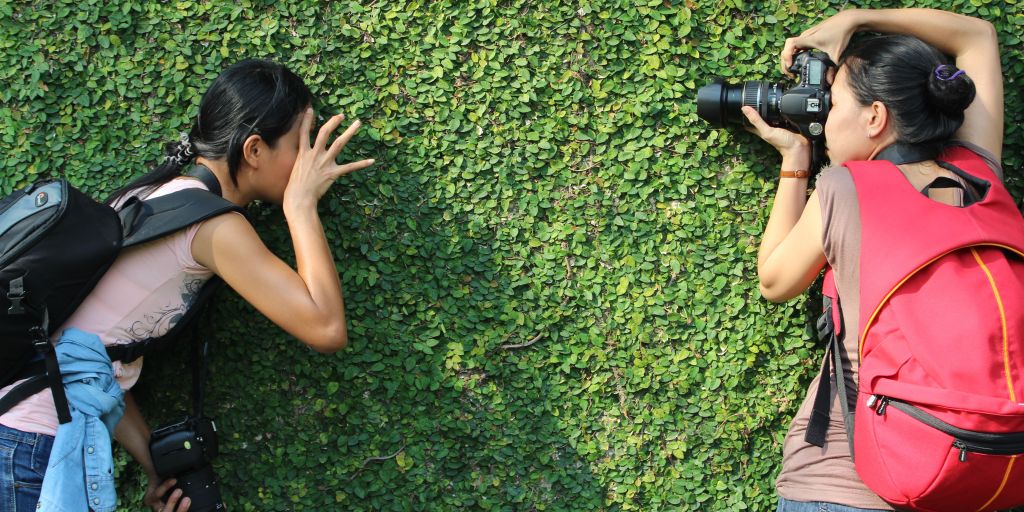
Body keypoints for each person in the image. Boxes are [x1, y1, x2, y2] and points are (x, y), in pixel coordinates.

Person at [0, 59, 375, 511]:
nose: (309, 161)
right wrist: (300, 208)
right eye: (301, 145)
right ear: (254, 150)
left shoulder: (144, 197)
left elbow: (89, 357)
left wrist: (157, 470)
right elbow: (326, 328)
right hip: (35, 447)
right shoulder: (211, 226)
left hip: (18, 431)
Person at [740, 8, 1003, 511]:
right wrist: (856, 20)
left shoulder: (847, 188)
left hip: (845, 481)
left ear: (875, 117)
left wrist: (797, 162)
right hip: (969, 468)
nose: (825, 119)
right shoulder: (978, 170)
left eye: (834, 103)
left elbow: (774, 281)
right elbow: (977, 35)